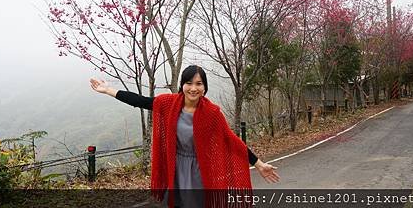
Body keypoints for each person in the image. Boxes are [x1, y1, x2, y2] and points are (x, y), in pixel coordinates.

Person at [90, 65, 279, 207]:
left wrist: (259, 164)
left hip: (199, 171)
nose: (193, 88)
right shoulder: (168, 104)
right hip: (173, 167)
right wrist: (108, 90)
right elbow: (140, 101)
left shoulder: (212, 113)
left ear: (204, 87)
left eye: (198, 84)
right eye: (189, 83)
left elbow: (231, 140)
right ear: (182, 85)